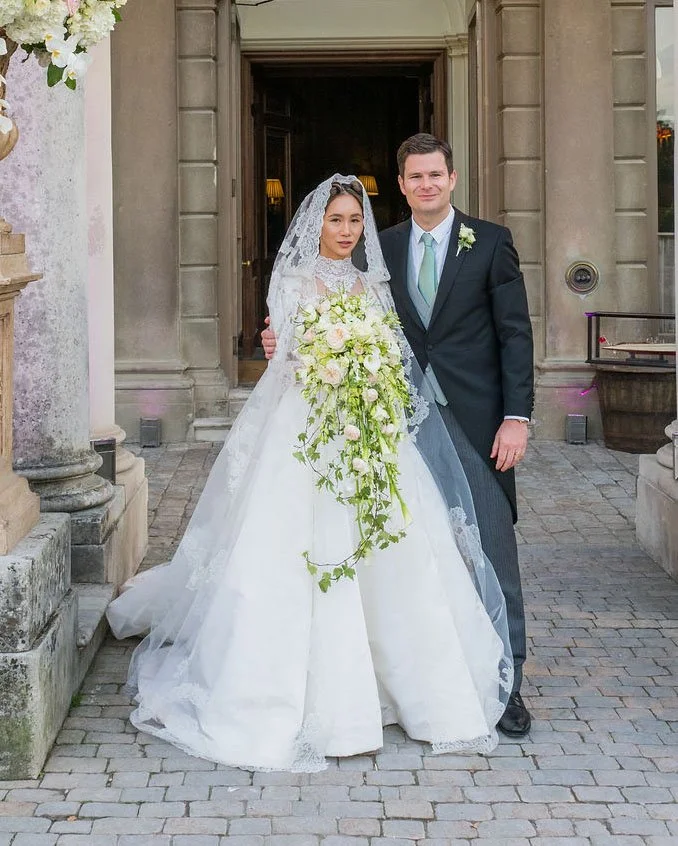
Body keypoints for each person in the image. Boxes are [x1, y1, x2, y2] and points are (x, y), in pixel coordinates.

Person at [106, 175, 515, 772]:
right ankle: (297, 699)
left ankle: (410, 690)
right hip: (308, 431)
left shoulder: (373, 283)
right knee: (294, 553)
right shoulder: (292, 282)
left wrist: (369, 377)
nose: (347, 232)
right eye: (337, 221)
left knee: (396, 553)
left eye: (355, 221)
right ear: (315, 225)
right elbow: (290, 357)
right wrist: (318, 359)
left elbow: (395, 354)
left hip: (370, 431)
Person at [263, 136, 534, 737]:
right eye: (415, 177)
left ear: (452, 178)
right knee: (420, 552)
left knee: (492, 548)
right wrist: (281, 342)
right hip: (401, 427)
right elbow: (334, 319)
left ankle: (508, 683)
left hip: (479, 424)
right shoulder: (378, 249)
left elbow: (516, 335)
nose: (427, 184)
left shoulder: (489, 243)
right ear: (404, 184)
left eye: (436, 174)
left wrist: (518, 417)